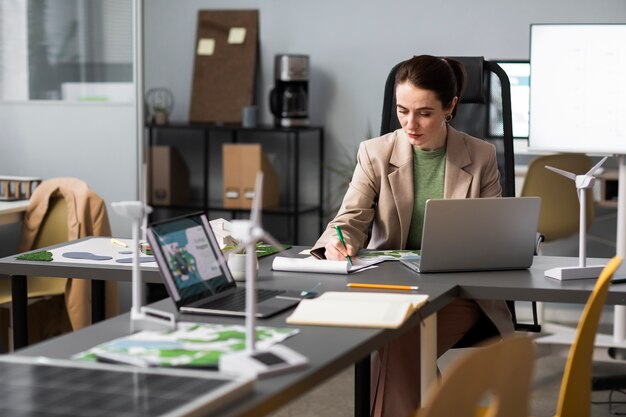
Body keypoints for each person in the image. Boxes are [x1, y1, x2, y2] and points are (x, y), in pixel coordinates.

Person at [310, 55, 514, 417]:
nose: (410, 123)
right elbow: (351, 218)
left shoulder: (480, 156)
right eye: (402, 110)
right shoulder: (375, 153)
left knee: (396, 338)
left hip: (458, 293)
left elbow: (490, 235)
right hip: (391, 289)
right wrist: (337, 242)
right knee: (396, 337)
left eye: (424, 113)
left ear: (450, 107)